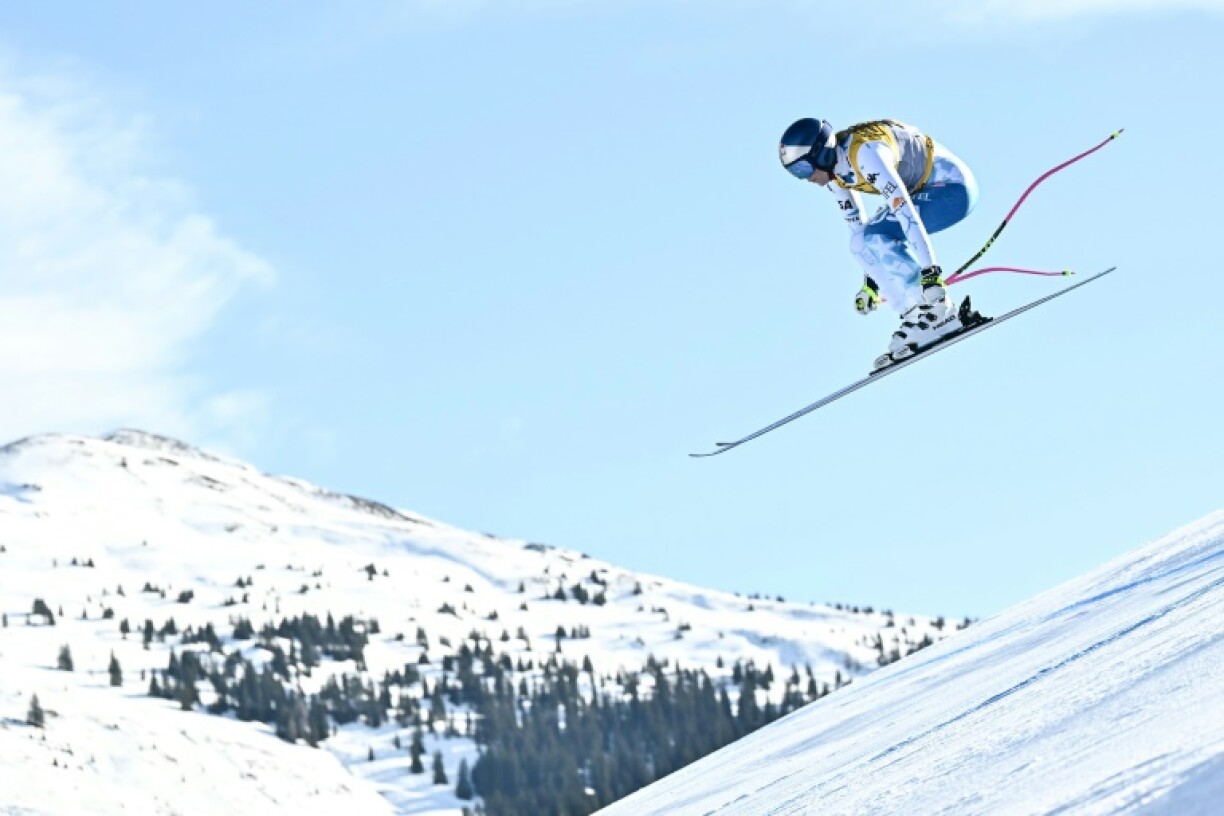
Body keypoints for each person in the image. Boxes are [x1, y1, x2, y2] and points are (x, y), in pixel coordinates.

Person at [779, 118, 984, 369]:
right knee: (858, 242)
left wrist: (931, 275)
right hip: (923, 191)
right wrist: (872, 284)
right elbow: (860, 234)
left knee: (878, 234)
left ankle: (940, 311)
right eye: (794, 173)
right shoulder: (835, 174)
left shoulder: (866, 154)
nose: (804, 179)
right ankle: (915, 313)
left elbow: (906, 213)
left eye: (801, 169)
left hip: (952, 189)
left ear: (820, 155)